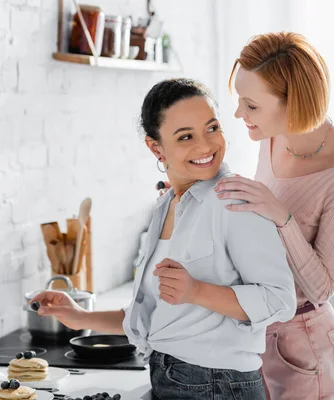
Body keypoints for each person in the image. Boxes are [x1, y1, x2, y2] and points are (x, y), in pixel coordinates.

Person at [30, 78, 297, 400]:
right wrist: (80, 317)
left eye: (212, 128)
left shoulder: (235, 201)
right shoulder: (166, 205)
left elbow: (280, 301)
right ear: (156, 147)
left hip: (218, 385)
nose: (205, 145)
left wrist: (196, 290)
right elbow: (159, 318)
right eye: (186, 136)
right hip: (170, 376)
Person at [211, 32, 334, 400]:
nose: (238, 115)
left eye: (251, 106)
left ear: (292, 105)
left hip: (306, 349)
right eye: (239, 101)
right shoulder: (271, 135)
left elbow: (321, 288)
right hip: (260, 335)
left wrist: (283, 217)